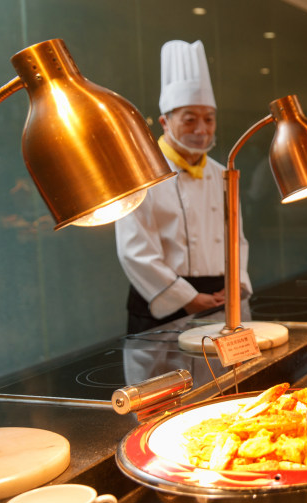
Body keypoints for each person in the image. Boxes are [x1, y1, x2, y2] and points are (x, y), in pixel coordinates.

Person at [115, 40, 252, 334]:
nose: (201, 130)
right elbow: (134, 251)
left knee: (218, 376)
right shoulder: (141, 174)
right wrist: (187, 298)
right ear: (165, 122)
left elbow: (237, 240)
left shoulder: (223, 174)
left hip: (219, 297)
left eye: (209, 119)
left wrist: (236, 284)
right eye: (190, 120)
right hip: (161, 301)